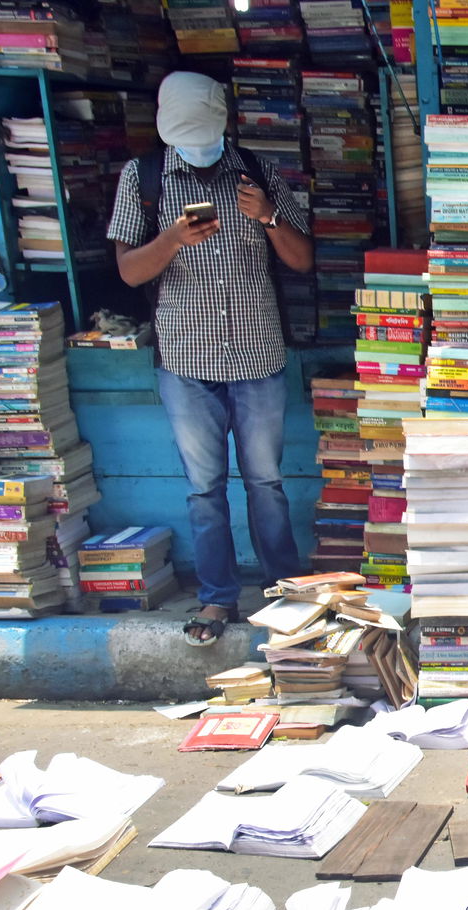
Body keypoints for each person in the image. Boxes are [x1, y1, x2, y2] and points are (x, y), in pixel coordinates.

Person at [106, 71, 313, 647]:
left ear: (225, 123)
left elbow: (300, 260)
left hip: (257, 354)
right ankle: (217, 598)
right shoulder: (143, 178)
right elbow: (128, 271)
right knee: (204, 488)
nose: (196, 150)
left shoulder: (256, 171)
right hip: (185, 360)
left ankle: (284, 593)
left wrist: (268, 217)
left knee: (266, 482)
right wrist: (170, 239)